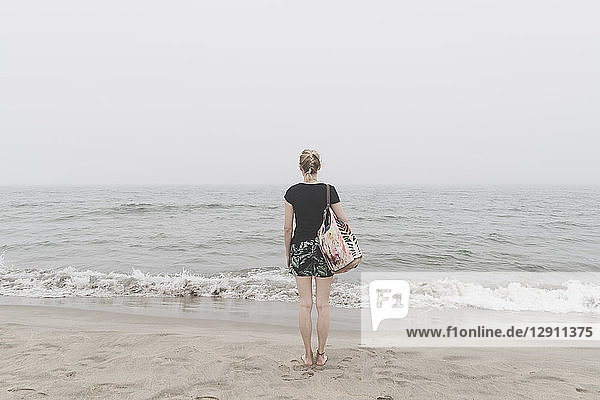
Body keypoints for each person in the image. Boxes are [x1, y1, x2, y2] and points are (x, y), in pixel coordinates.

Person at [283, 149, 349, 367]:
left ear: (300, 168)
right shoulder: (329, 191)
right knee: (323, 305)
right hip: (324, 250)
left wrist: (288, 254)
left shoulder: (292, 192)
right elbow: (343, 222)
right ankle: (321, 354)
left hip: (300, 248)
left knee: (305, 305)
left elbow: (287, 228)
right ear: (319, 167)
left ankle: (307, 355)